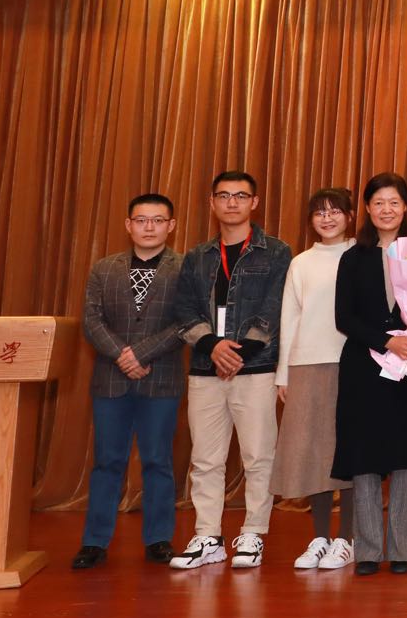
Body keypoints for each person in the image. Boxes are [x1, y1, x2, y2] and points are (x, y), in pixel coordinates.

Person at [170, 171, 292, 570]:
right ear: (212, 203)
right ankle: (208, 536)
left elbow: (276, 306)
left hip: (255, 369)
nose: (232, 203)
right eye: (223, 196)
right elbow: (183, 309)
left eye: (240, 196)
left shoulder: (277, 252)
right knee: (205, 459)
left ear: (254, 202)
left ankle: (253, 534)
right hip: (206, 369)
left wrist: (241, 351)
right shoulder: (197, 256)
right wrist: (212, 345)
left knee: (259, 456)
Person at [330, 173, 407, 575]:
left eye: (394, 202)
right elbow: (344, 318)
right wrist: (386, 342)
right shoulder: (353, 257)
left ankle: (402, 550)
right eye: (378, 202)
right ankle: (366, 550)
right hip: (365, 368)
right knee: (364, 457)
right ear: (367, 208)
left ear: (406, 207)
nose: (386, 210)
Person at [72, 193, 185, 570]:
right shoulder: (104, 269)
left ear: (171, 225)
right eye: (141, 220)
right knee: (107, 461)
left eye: (158, 220)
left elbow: (186, 322)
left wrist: (141, 354)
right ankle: (94, 542)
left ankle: (158, 539)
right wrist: (122, 355)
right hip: (111, 380)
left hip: (161, 379)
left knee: (157, 461)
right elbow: (92, 321)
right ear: (128, 225)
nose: (149, 227)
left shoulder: (185, 269)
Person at [274, 188, 357, 572]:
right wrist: (283, 373)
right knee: (313, 456)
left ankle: (347, 539)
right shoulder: (301, 263)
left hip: (353, 364)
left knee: (349, 453)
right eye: (319, 212)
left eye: (335, 211)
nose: (327, 218)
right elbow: (289, 319)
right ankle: (320, 537)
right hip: (306, 364)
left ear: (350, 216)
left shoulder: (362, 256)